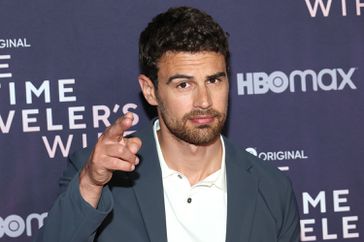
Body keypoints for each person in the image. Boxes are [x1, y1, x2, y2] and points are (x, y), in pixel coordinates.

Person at [35, 6, 300, 242]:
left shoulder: (272, 188)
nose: (204, 101)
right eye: (184, 84)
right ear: (150, 90)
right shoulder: (101, 177)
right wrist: (91, 184)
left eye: (214, 80)